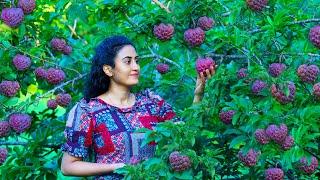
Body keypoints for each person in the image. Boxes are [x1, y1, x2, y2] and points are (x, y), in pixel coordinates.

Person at [60, 35, 216, 179]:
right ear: (108, 69)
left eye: (137, 60)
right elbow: (68, 166)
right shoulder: (88, 110)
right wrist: (119, 167)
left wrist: (198, 95)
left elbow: (185, 135)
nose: (136, 67)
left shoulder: (151, 102)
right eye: (128, 61)